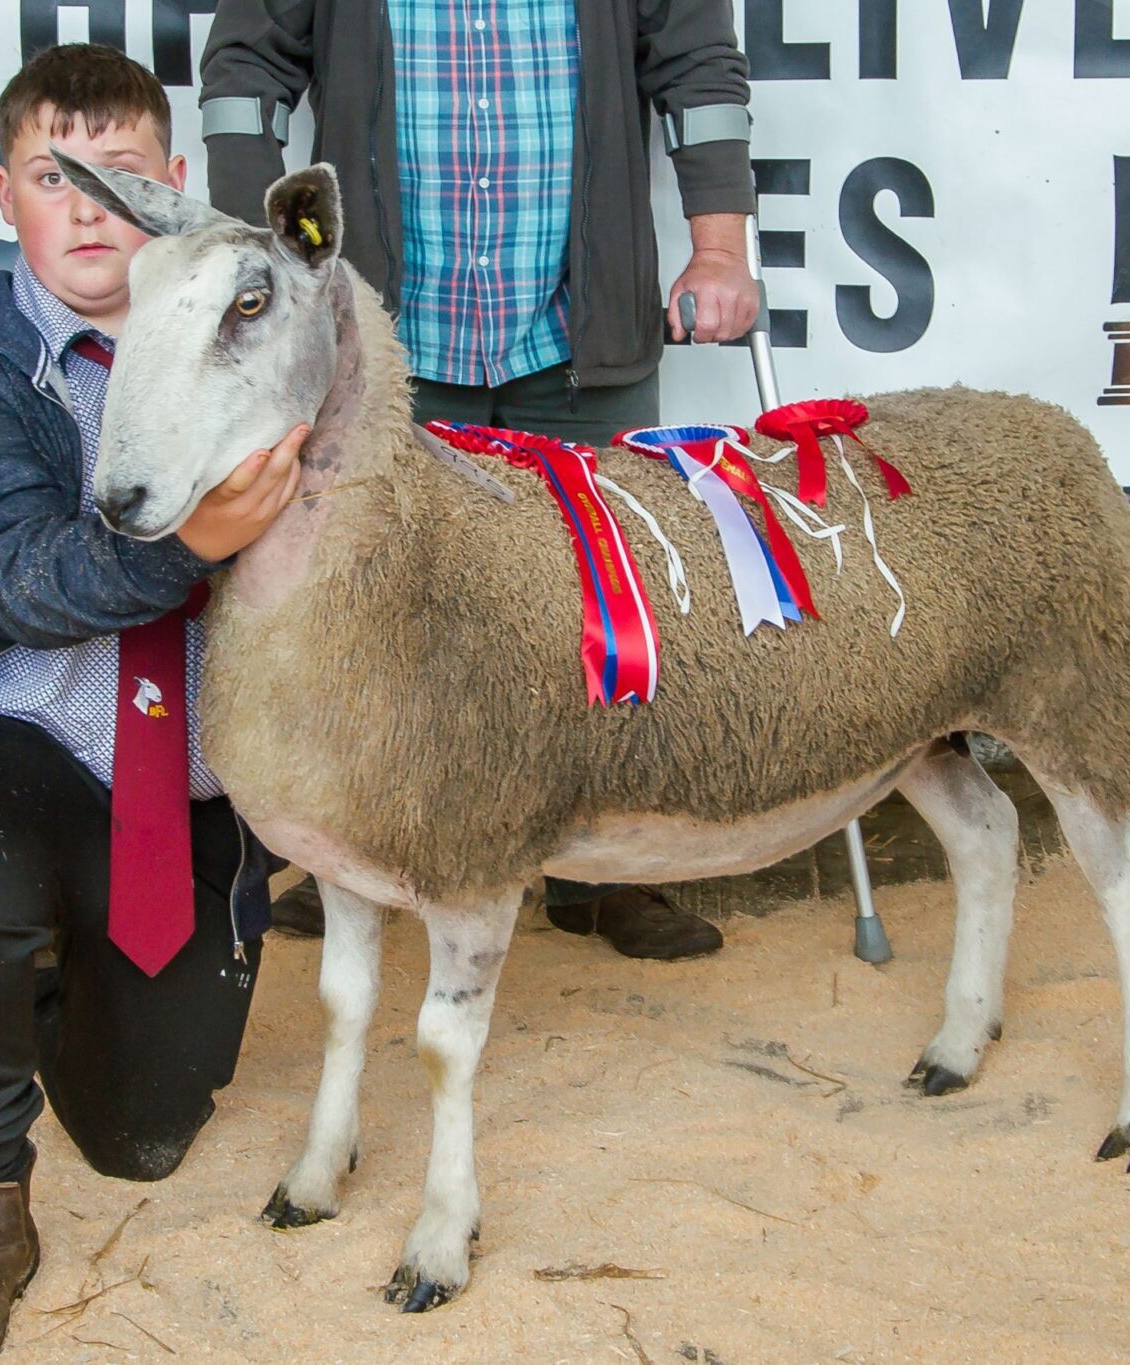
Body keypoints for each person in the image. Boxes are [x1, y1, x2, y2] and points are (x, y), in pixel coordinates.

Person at [0, 45, 307, 1365]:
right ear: (2, 194)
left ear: (176, 185)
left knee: (144, 1138)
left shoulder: (262, 330)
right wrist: (188, 541)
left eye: (122, 177)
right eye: (54, 176)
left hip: (197, 768)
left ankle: (28, 972)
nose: (90, 209)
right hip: (22, 730)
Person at [199, 0, 760, 961]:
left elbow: (700, 71)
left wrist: (718, 249)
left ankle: (608, 877)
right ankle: (359, 855)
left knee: (607, 594)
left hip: (579, 331)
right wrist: (268, 266)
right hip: (392, 340)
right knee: (373, 615)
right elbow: (244, 71)